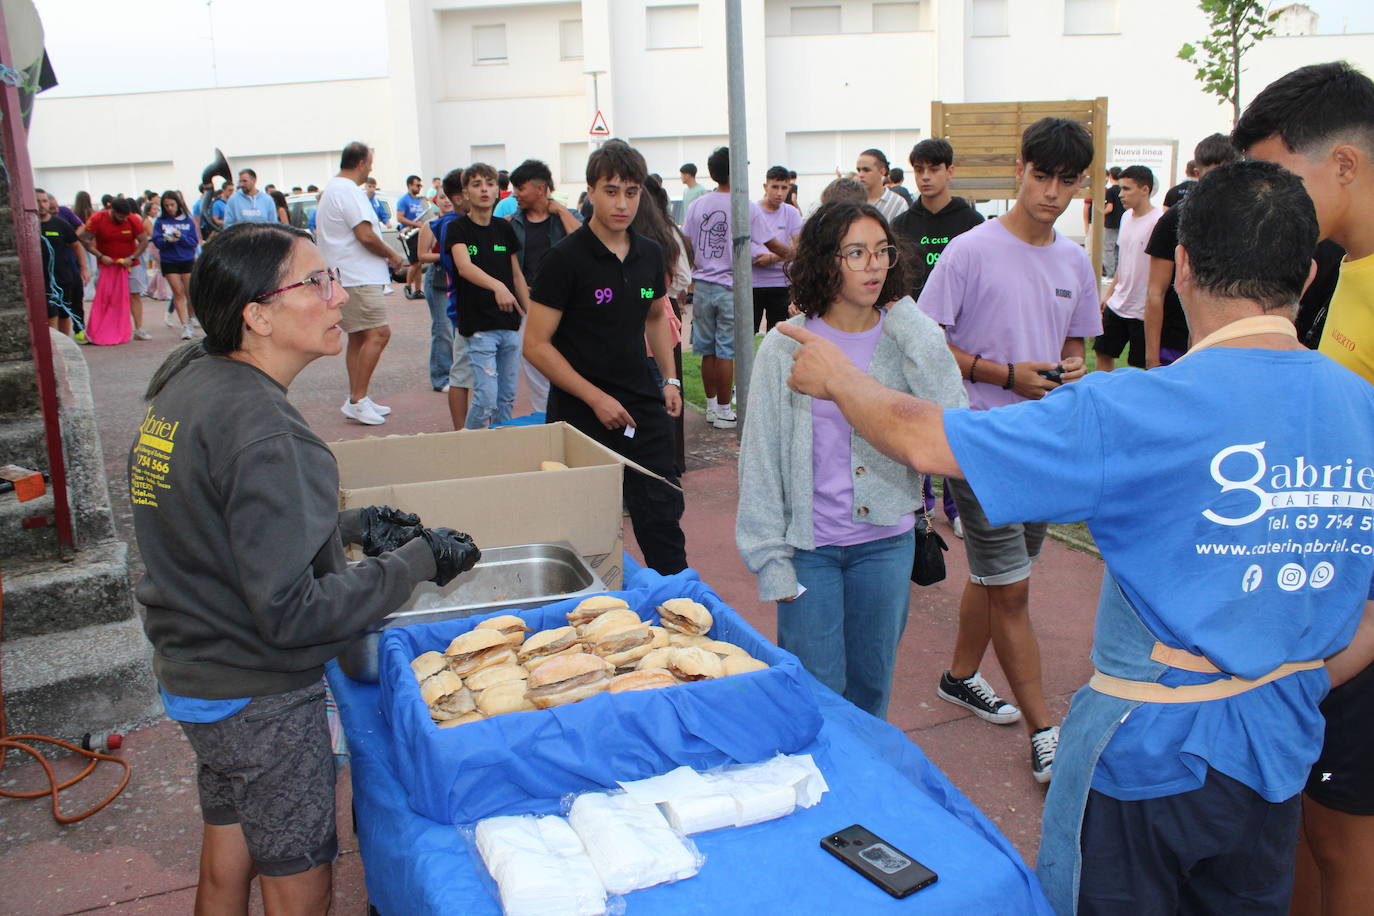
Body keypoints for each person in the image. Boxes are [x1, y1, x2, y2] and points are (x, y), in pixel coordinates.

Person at [779, 157, 1374, 916]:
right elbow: (1369, 616)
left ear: (1182, 266)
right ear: (1309, 279)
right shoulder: (1362, 407)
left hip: (1148, 763)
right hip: (1280, 752)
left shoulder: (1133, 408)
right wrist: (1297, 681)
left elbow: (931, 442)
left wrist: (838, 376)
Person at [129, 221, 479, 916]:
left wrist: (349, 526)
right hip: (258, 694)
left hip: (198, 673)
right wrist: (418, 560)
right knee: (298, 881)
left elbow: (220, 519)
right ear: (256, 314)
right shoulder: (265, 430)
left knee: (229, 854)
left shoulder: (190, 382)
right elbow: (294, 613)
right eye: (316, 282)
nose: (339, 295)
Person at [916, 117, 1102, 782]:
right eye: (1041, 174)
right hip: (981, 441)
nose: (1051, 191)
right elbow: (927, 345)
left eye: (1066, 180)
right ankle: (1045, 730)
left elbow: (1076, 343)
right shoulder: (969, 251)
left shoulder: (1074, 261)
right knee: (1015, 594)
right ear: (1020, 169)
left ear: (1082, 184)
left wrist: (1070, 368)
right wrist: (1003, 375)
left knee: (998, 581)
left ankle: (959, 676)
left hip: (1042, 444)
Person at [1234, 60, 1374, 916]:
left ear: (1346, 166)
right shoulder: (1343, 274)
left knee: (1344, 842)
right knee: (1308, 833)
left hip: (1354, 629)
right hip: (1326, 605)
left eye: (1282, 181)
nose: (1268, 207)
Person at [736, 200, 965, 719]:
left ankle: (870, 792)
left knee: (870, 691)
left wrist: (905, 314)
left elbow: (954, 417)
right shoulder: (787, 345)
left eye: (882, 251)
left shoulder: (905, 338)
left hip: (885, 547)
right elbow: (760, 461)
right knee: (815, 698)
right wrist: (771, 562)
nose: (874, 266)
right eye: (856, 253)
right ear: (825, 260)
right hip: (809, 551)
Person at [524, 140, 687, 574]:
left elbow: (655, 314)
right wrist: (595, 398)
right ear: (591, 192)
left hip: (640, 403)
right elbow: (536, 345)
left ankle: (677, 607)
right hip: (580, 411)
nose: (622, 203)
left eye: (631, 192)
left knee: (662, 515)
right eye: (611, 191)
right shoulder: (564, 260)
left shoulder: (650, 255)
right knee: (582, 531)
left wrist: (669, 379)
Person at [892, 137, 985, 539]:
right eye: (919, 170)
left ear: (950, 171)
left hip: (959, 340)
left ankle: (957, 505)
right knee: (914, 419)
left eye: (934, 169)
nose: (926, 178)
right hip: (910, 336)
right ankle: (921, 503)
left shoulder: (972, 225)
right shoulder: (901, 226)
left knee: (956, 421)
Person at [680, 146, 787, 429]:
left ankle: (712, 407)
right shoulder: (746, 205)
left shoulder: (697, 205)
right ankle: (726, 410)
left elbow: (687, 244)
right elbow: (772, 244)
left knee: (706, 350)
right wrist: (797, 255)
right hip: (730, 286)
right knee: (726, 349)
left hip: (702, 286)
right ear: (737, 171)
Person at [315, 141, 407, 425]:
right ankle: (357, 399)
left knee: (360, 336)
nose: (371, 167)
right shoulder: (348, 191)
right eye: (370, 162)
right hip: (357, 276)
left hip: (349, 274)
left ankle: (357, 398)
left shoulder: (334, 189)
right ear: (361, 164)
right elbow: (365, 235)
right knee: (379, 333)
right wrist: (394, 256)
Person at [1143, 134, 1238, 368]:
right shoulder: (1174, 219)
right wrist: (1152, 358)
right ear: (1197, 173)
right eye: (1210, 175)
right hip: (1174, 344)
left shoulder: (1246, 219)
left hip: (1228, 342)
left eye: (1225, 175)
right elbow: (1155, 292)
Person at [447, 163, 528, 429]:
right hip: (479, 328)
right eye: (477, 184)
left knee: (506, 399)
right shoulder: (458, 228)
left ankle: (501, 450)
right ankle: (469, 448)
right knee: (486, 400)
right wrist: (498, 286)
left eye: (490, 183)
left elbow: (516, 275)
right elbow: (464, 266)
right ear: (465, 193)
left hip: (509, 326)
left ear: (498, 191)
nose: (484, 189)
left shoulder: (504, 229)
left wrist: (532, 314)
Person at [506, 158, 580, 415]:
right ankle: (544, 415)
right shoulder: (512, 223)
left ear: (540, 188)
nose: (515, 193)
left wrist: (561, 211)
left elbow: (586, 242)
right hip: (531, 304)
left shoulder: (565, 217)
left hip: (568, 304)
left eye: (520, 187)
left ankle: (571, 414)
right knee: (536, 364)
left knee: (570, 362)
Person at [1093, 165, 1161, 371]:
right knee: (1103, 352)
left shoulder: (1157, 221)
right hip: (1117, 304)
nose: (1121, 194)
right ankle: (1102, 397)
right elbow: (1124, 261)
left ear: (1145, 190)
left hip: (1142, 310)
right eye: (1120, 188)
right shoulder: (1125, 217)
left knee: (1140, 366)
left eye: (1127, 189)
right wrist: (1109, 294)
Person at [78, 196, 152, 342]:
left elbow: (143, 241)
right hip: (107, 265)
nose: (123, 219)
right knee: (107, 297)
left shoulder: (132, 219)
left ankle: (138, 329)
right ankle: (105, 328)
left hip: (130, 264)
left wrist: (132, 257)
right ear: (112, 210)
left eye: (125, 216)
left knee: (134, 294)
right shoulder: (98, 218)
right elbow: (83, 238)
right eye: (120, 216)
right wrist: (100, 256)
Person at [752, 165, 802, 333]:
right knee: (745, 336)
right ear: (765, 187)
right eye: (775, 187)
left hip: (781, 283)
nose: (779, 193)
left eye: (784, 187)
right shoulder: (752, 211)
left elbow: (799, 249)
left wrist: (773, 258)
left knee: (779, 335)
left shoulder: (792, 213)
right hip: (753, 283)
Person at [416, 188, 455, 393]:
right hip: (439, 279)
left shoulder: (461, 223)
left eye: (449, 196)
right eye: (442, 197)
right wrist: (448, 256)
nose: (447, 200)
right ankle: (441, 377)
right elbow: (422, 255)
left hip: (458, 278)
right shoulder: (429, 226)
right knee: (443, 328)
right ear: (436, 202)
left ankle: (458, 374)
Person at [35, 188, 87, 337]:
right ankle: (52, 348)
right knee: (50, 314)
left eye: (44, 201)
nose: (41, 205)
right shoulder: (28, 225)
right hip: (41, 279)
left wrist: (83, 269)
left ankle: (65, 343)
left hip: (62, 276)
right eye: (37, 201)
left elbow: (76, 245)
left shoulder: (60, 224)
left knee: (64, 314)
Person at [151, 191, 201, 340]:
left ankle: (191, 319)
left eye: (172, 204)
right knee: (177, 291)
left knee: (189, 292)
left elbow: (194, 241)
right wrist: (167, 240)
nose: (169, 208)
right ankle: (184, 325)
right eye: (166, 205)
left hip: (186, 259)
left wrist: (181, 236)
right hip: (169, 260)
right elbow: (157, 241)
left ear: (178, 204)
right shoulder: (160, 222)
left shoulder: (188, 221)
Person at [396, 174, 429, 299]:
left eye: (420, 185)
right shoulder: (404, 200)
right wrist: (415, 224)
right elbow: (400, 218)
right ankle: (408, 287)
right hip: (410, 233)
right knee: (414, 263)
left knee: (420, 262)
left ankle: (418, 290)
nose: (419, 187)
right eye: (417, 185)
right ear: (410, 185)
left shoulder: (418, 200)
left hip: (419, 233)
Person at [854, 148, 909, 222]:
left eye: (866, 170)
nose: (860, 175)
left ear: (882, 172)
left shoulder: (898, 204)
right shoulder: (851, 202)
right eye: (859, 170)